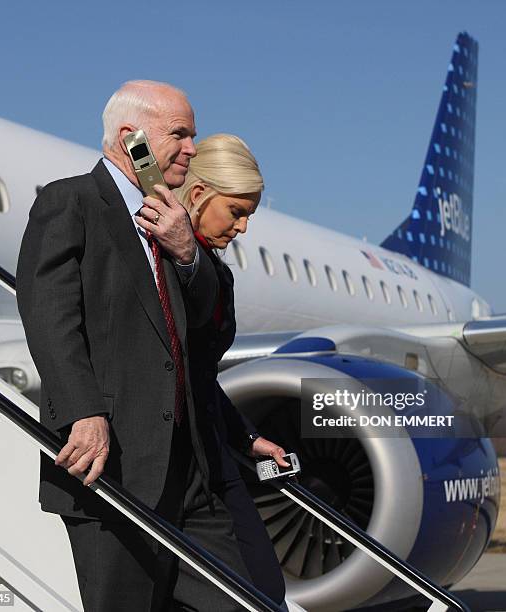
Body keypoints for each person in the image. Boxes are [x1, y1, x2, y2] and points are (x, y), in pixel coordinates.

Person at [16, 81, 287, 611]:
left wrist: (188, 254)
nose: (192, 148)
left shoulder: (169, 223)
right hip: (112, 462)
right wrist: (82, 411)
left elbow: (198, 347)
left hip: (193, 475)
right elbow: (50, 317)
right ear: (129, 137)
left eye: (194, 135)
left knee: (247, 601)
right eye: (180, 134)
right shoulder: (70, 201)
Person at [162, 133, 288, 609]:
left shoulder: (213, 271)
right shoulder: (156, 263)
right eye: (236, 211)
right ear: (197, 196)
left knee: (263, 590)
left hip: (211, 453)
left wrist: (248, 437)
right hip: (171, 455)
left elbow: (198, 375)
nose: (242, 228)